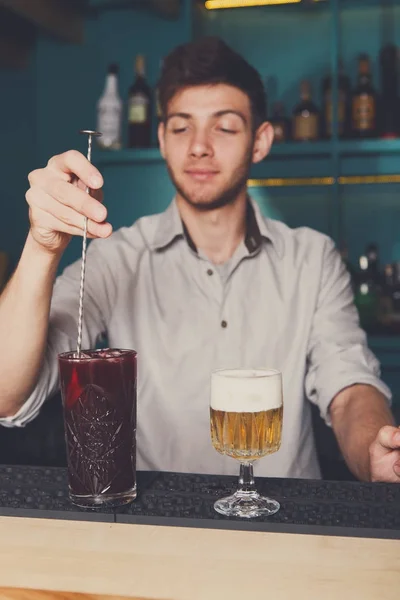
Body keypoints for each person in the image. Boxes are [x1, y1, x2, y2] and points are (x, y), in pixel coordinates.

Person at [0, 37, 399, 482]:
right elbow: (8, 397)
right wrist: (42, 246)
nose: (199, 147)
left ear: (260, 142)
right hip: (162, 527)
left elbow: (348, 386)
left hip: (288, 529)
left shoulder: (312, 257)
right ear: (162, 140)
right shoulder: (117, 259)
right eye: (181, 127)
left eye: (225, 128)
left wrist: (372, 450)